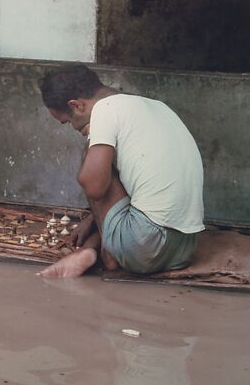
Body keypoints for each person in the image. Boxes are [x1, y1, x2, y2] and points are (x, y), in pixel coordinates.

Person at [37, 64, 204, 278]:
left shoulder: (104, 110)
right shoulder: (158, 107)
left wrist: (90, 143)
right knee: (110, 162)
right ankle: (92, 248)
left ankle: (107, 254)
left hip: (143, 247)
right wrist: (92, 221)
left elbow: (94, 186)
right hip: (184, 250)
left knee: (94, 159)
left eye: (67, 121)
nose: (72, 127)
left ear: (77, 106)